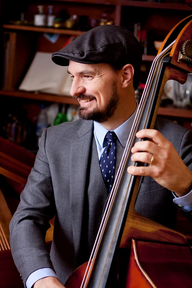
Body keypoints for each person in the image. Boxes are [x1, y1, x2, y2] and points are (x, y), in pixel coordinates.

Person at [10, 25, 192, 288]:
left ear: (126, 75)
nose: (74, 90)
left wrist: (185, 186)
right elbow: (26, 218)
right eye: (72, 76)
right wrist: (41, 279)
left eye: (87, 76)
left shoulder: (176, 141)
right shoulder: (55, 141)